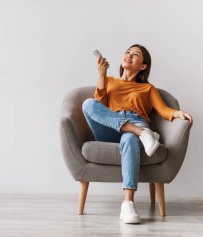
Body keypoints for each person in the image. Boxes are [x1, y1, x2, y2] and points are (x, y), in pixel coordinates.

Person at [81, 44, 193, 224]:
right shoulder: (109, 81)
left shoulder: (148, 89)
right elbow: (98, 105)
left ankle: (128, 203)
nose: (129, 55)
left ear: (143, 66)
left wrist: (178, 114)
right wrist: (101, 75)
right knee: (88, 104)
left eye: (136, 54)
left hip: (134, 122)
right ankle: (143, 133)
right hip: (111, 127)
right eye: (127, 52)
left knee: (130, 140)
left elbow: (163, 110)